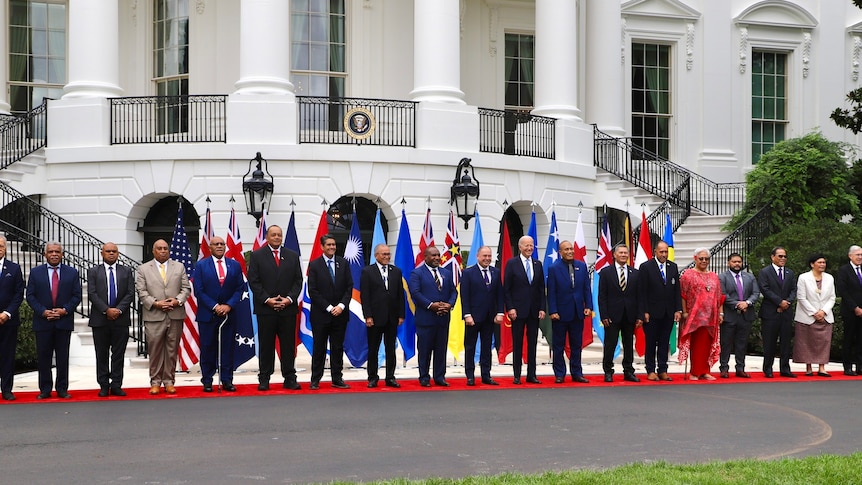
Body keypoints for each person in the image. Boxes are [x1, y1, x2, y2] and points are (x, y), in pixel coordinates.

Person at [247, 225, 303, 391]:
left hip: (288, 309)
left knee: (288, 346)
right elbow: (253, 281)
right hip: (266, 310)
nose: (277, 237)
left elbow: (298, 281)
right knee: (266, 346)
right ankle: (264, 378)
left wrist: (289, 299)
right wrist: (267, 299)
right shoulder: (256, 256)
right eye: (274, 235)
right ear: (267, 237)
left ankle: (290, 378)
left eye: (279, 235)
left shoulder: (292, 256)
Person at [26, 242, 82, 399]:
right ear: (45, 254)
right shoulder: (36, 272)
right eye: (51, 251)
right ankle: (45, 389)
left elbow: (76, 295)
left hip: (63, 322)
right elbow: (30, 295)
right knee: (43, 357)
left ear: (62, 254)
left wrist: (64, 310)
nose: (54, 254)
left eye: (57, 251)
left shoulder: (72, 273)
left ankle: (62, 388)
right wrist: (43, 312)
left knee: (63, 357)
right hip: (43, 322)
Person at [135, 239, 190, 395]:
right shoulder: (143, 269)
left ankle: (169, 381)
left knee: (172, 350)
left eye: (165, 248)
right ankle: (155, 382)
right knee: (155, 350)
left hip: (175, 314)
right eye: (159, 248)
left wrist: (177, 301)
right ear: (154, 251)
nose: (163, 251)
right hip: (154, 315)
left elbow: (186, 288)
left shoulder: (179, 267)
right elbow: (142, 292)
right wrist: (156, 303)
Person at [192, 236, 246, 392]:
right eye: (216, 244)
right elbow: (199, 291)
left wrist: (228, 305)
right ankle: (207, 380)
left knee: (227, 348)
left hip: (229, 314)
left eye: (222, 244)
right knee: (208, 348)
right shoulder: (201, 266)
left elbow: (239, 288)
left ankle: (227, 380)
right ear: (210, 248)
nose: (220, 246)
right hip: (208, 315)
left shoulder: (234, 265)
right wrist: (215, 306)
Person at [87, 242, 134, 397]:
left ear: (118, 253)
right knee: (101, 354)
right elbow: (92, 294)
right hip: (100, 320)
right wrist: (106, 310)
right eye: (108, 251)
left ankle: (116, 384)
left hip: (120, 319)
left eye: (114, 251)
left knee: (118, 354)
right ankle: (103, 385)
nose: (111, 253)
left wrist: (118, 310)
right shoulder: (93, 271)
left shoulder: (126, 271)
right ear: (102, 254)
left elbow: (130, 293)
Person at [307, 234, 353, 390]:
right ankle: (315, 379)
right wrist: (328, 307)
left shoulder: (343, 263)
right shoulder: (314, 265)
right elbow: (313, 291)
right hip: (321, 315)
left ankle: (337, 378)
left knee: (337, 347)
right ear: (322, 247)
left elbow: (349, 288)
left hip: (340, 314)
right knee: (319, 348)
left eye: (334, 244)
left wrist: (341, 306)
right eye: (329, 245)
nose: (332, 247)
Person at [409, 246, 457, 387]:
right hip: (426, 318)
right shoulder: (417, 273)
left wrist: (449, 305)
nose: (437, 258)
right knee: (424, 350)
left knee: (441, 349)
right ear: (426, 257)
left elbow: (453, 292)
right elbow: (415, 293)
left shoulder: (446, 273)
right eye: (433, 255)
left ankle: (439, 377)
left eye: (438, 255)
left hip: (443, 318)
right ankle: (424, 377)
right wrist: (431, 305)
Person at [546, 240, 592, 384]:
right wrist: (553, 310)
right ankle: (559, 374)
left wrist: (588, 306)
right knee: (558, 346)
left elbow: (586, 288)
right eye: (566, 249)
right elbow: (551, 292)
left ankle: (577, 373)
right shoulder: (554, 268)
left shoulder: (582, 266)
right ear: (560, 252)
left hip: (577, 312)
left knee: (576, 345)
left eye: (571, 249)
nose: (570, 251)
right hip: (560, 313)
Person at [360, 243, 405, 388]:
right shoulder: (368, 272)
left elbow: (400, 295)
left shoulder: (396, 271)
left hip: (392, 318)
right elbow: (365, 296)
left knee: (390, 348)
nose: (387, 256)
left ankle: (390, 377)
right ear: (376, 255)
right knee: (373, 349)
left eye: (388, 254)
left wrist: (401, 315)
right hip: (374, 318)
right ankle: (372, 377)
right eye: (383, 254)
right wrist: (368, 316)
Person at [503, 235, 545, 385]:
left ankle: (531, 375)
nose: (529, 248)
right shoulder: (512, 264)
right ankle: (517, 375)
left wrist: (542, 307)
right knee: (518, 343)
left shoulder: (538, 264)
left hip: (534, 311)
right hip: (518, 311)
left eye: (531, 245)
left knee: (532, 343)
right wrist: (510, 308)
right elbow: (506, 288)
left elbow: (541, 288)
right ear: (520, 247)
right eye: (526, 246)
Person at [637, 240, 682, 382]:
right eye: (661, 251)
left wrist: (678, 309)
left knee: (664, 342)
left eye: (666, 252)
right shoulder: (646, 267)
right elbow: (642, 291)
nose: (664, 254)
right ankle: (650, 369)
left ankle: (662, 369)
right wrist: (644, 311)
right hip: (651, 313)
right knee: (651, 342)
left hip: (668, 312)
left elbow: (676, 290)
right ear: (655, 252)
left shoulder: (673, 267)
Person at [460, 245, 504, 386]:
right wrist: (467, 315)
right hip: (473, 317)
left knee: (487, 347)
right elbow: (464, 296)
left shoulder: (495, 272)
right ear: (477, 256)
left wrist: (500, 313)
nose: (487, 259)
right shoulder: (468, 273)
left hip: (490, 317)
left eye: (489, 256)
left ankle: (486, 375)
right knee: (470, 346)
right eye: (484, 256)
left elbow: (499, 294)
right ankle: (470, 376)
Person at [598, 244, 641, 383]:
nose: (623, 255)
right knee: (610, 344)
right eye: (620, 253)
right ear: (614, 255)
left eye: (625, 253)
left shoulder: (635, 273)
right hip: (611, 316)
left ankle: (628, 371)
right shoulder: (605, 273)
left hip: (630, 315)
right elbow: (602, 296)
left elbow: (639, 296)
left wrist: (639, 316)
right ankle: (608, 371)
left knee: (628, 345)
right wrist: (604, 315)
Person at [678, 248, 723, 381]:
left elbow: (719, 296)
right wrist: (684, 312)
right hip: (694, 317)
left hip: (711, 317)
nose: (704, 261)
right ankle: (695, 372)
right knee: (696, 345)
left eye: (706, 259)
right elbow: (683, 294)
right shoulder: (688, 274)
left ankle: (705, 371)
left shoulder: (714, 276)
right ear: (695, 258)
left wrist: (721, 313)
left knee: (707, 344)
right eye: (701, 258)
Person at [717, 252, 760, 378]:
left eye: (739, 262)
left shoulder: (749, 277)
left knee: (742, 343)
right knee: (726, 343)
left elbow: (756, 293)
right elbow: (723, 295)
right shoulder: (722, 277)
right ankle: (724, 368)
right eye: (734, 262)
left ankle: (740, 368)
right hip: (730, 315)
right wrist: (737, 304)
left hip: (746, 315)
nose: (737, 264)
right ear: (728, 263)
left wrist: (747, 303)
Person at [793, 253, 835, 377]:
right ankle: (809, 367)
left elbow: (832, 297)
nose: (822, 265)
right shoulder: (803, 277)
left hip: (825, 316)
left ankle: (822, 368)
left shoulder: (829, 278)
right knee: (807, 342)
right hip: (807, 317)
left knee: (824, 342)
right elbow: (801, 297)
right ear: (812, 264)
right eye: (819, 262)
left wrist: (823, 311)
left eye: (824, 263)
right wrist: (814, 313)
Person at [758, 246, 797, 378]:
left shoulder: (789, 273)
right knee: (770, 342)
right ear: (772, 257)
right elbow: (765, 289)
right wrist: (779, 302)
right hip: (770, 312)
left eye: (785, 256)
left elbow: (793, 290)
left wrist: (787, 302)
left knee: (786, 342)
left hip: (786, 312)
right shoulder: (765, 272)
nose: (783, 259)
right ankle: (768, 368)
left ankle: (785, 368)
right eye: (780, 256)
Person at [0, 236, 24, 401]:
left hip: (8, 320)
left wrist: (6, 313)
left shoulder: (14, 268)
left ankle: (7, 389)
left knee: (7, 356)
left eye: (1, 246)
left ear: (6, 248)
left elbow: (18, 293)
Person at [836, 245, 862, 376]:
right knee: (849, 339)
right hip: (850, 311)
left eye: (861, 255)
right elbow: (843, 291)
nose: (860, 257)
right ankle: (847, 366)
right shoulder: (844, 270)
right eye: (857, 255)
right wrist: (855, 308)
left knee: (861, 340)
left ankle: (860, 366)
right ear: (850, 256)